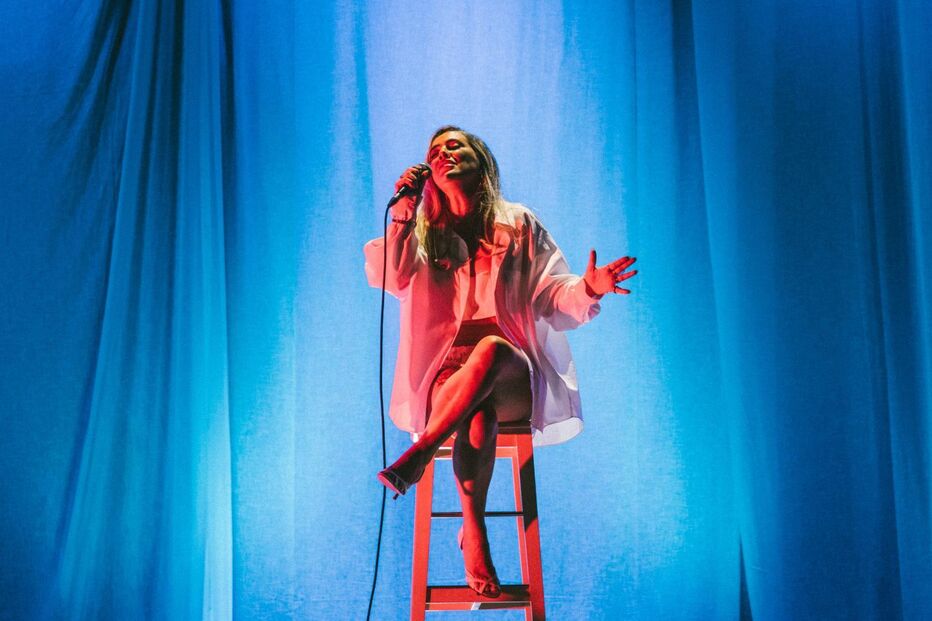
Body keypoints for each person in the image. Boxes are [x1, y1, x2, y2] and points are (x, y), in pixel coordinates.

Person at [363, 126, 637, 598]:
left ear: (481, 161)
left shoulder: (518, 223)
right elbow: (389, 275)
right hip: (445, 380)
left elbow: (553, 293)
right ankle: (474, 529)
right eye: (435, 151)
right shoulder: (423, 231)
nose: (444, 153)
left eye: (455, 146)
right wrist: (405, 213)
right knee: (478, 417)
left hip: (509, 372)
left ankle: (420, 453)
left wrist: (589, 288)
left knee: (492, 349)